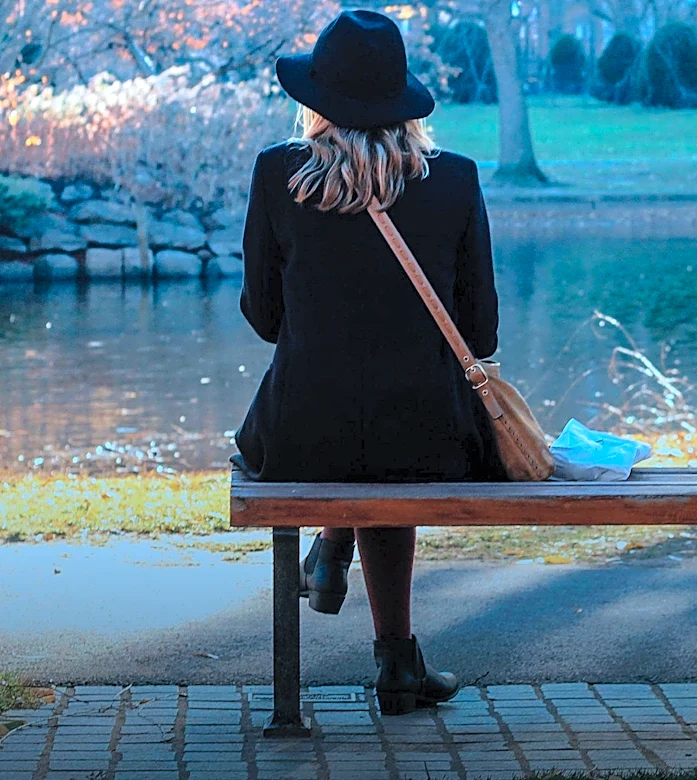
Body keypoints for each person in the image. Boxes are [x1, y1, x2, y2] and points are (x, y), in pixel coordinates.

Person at [230, 9, 506, 716]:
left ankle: (331, 552)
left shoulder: (276, 174)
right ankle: (395, 664)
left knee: (355, 429)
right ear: (401, 98)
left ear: (316, 99)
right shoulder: (456, 179)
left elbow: (263, 320)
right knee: (393, 436)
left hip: (298, 433)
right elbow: (480, 332)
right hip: (431, 438)